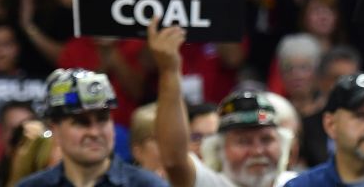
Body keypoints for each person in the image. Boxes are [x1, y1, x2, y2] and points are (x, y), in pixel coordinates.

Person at [150, 21, 295, 187]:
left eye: (267, 139)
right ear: (218, 150)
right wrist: (169, 70)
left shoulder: (299, 183)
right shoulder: (209, 183)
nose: (257, 151)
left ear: (285, 145)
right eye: (243, 141)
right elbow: (174, 160)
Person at [16, 69, 165, 187]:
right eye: (81, 122)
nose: (94, 132)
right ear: (55, 129)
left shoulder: (147, 185)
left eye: (102, 120)